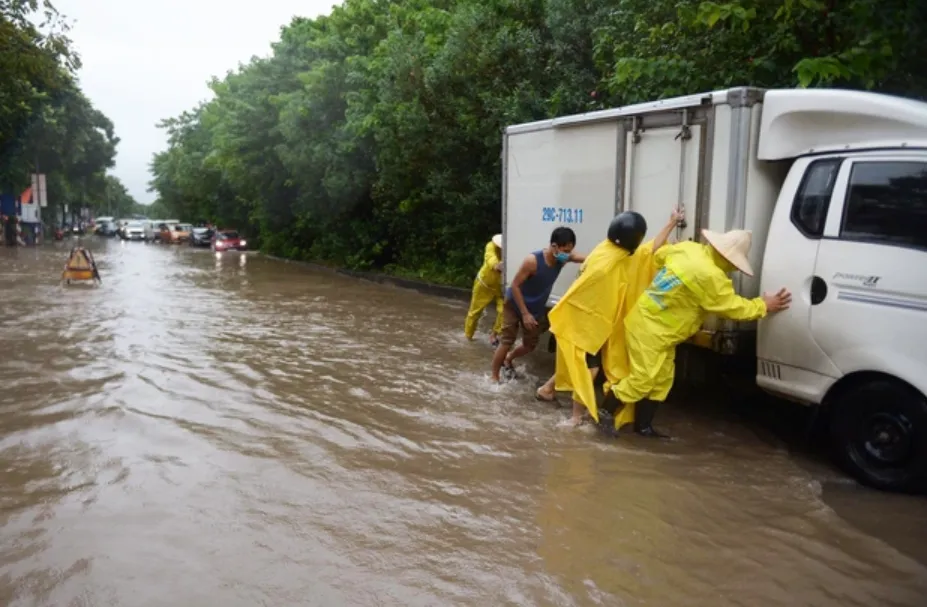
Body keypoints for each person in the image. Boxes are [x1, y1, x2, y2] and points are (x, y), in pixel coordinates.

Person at [602, 228, 792, 438]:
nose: (733, 269)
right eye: (734, 264)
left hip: (654, 326)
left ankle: (643, 427)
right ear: (727, 258)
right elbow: (733, 308)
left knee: (662, 380)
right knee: (644, 379)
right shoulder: (711, 277)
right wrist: (763, 305)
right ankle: (604, 414)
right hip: (651, 330)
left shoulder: (687, 249)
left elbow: (659, 257)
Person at [537, 208, 685, 426]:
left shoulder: (606, 251)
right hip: (585, 324)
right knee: (589, 368)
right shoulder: (610, 260)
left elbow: (647, 251)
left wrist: (671, 223)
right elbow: (645, 251)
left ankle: (547, 389)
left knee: (578, 364)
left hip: (592, 323)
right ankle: (575, 417)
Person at [491, 227, 585, 382]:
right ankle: (494, 377)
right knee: (507, 340)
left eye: (570, 250)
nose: (567, 254)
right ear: (554, 246)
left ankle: (509, 358)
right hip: (515, 304)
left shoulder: (562, 259)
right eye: (565, 250)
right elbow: (514, 286)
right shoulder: (532, 261)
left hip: (535, 308)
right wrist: (524, 313)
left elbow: (581, 258)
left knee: (530, 345)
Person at [464, 234, 505, 347]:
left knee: (505, 311)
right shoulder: (490, 246)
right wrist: (498, 265)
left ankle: (494, 334)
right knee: (475, 312)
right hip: (484, 285)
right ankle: (468, 336)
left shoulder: (512, 251)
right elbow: (491, 259)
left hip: (501, 288)